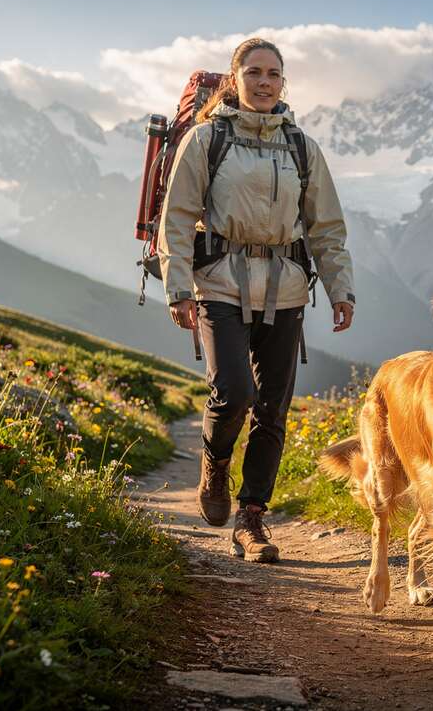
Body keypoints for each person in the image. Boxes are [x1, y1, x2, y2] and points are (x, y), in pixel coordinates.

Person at [158, 37, 354, 562]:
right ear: (235, 79)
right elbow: (175, 220)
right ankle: (215, 465)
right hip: (219, 285)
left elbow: (326, 228)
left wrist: (340, 289)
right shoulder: (206, 141)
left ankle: (251, 520)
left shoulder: (302, 147)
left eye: (274, 74)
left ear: (282, 82)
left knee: (273, 411)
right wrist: (178, 287)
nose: (265, 82)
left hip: (287, 291)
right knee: (235, 393)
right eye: (254, 73)